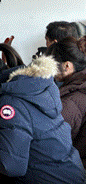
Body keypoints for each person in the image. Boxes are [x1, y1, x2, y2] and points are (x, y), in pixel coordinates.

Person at [0, 49, 85, 183]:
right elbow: (30, 122)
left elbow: (10, 166)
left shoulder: (10, 100)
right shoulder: (33, 85)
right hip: (69, 172)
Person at [47, 37, 86, 167]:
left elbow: (52, 142)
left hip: (74, 167)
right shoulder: (79, 85)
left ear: (67, 66)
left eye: (52, 66)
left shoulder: (71, 102)